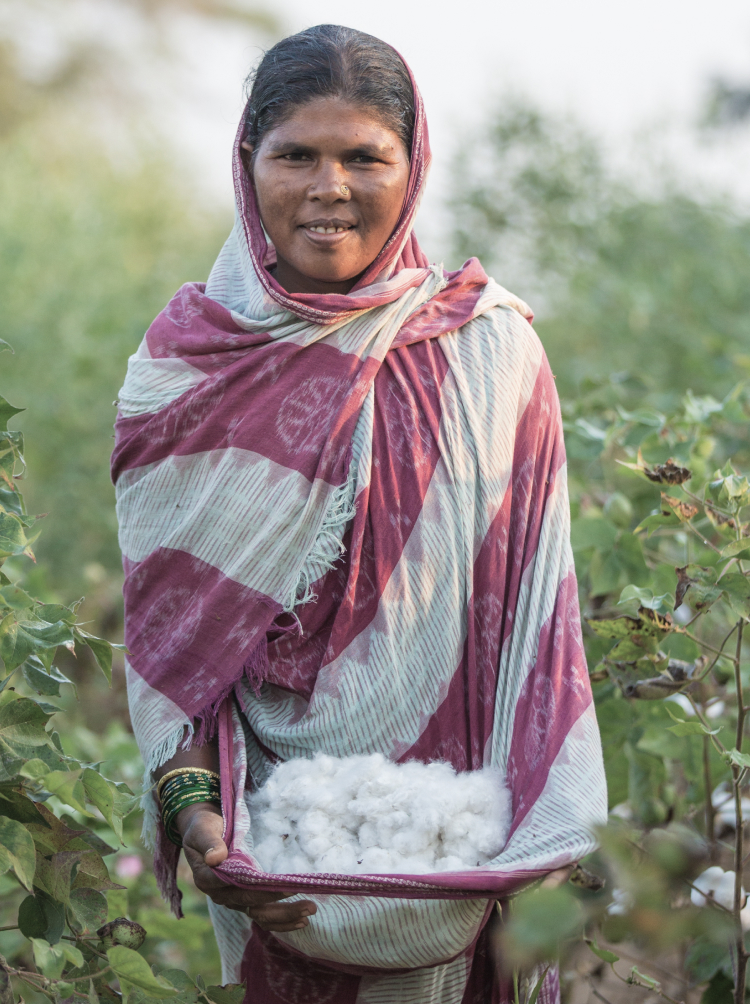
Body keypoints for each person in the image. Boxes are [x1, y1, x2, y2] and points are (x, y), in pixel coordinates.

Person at [111, 24, 607, 1004]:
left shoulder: (489, 354)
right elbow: (178, 651)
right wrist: (194, 810)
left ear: (411, 168)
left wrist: (541, 829)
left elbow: (534, 623)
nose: (327, 186)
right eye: (294, 153)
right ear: (245, 163)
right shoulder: (186, 369)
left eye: (362, 157)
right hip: (279, 841)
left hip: (456, 840)